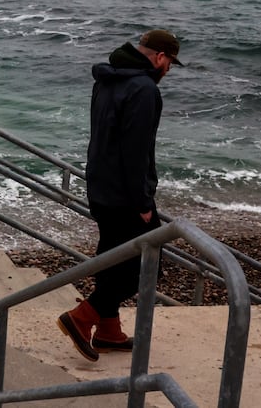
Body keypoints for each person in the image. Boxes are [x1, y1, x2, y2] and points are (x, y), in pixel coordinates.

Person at [58, 29, 183, 362]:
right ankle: (82, 317)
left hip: (100, 184)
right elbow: (135, 151)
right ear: (160, 57)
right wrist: (143, 202)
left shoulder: (107, 79)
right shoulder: (144, 90)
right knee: (144, 267)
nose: (168, 70)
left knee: (111, 258)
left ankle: (109, 331)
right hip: (126, 194)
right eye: (170, 62)